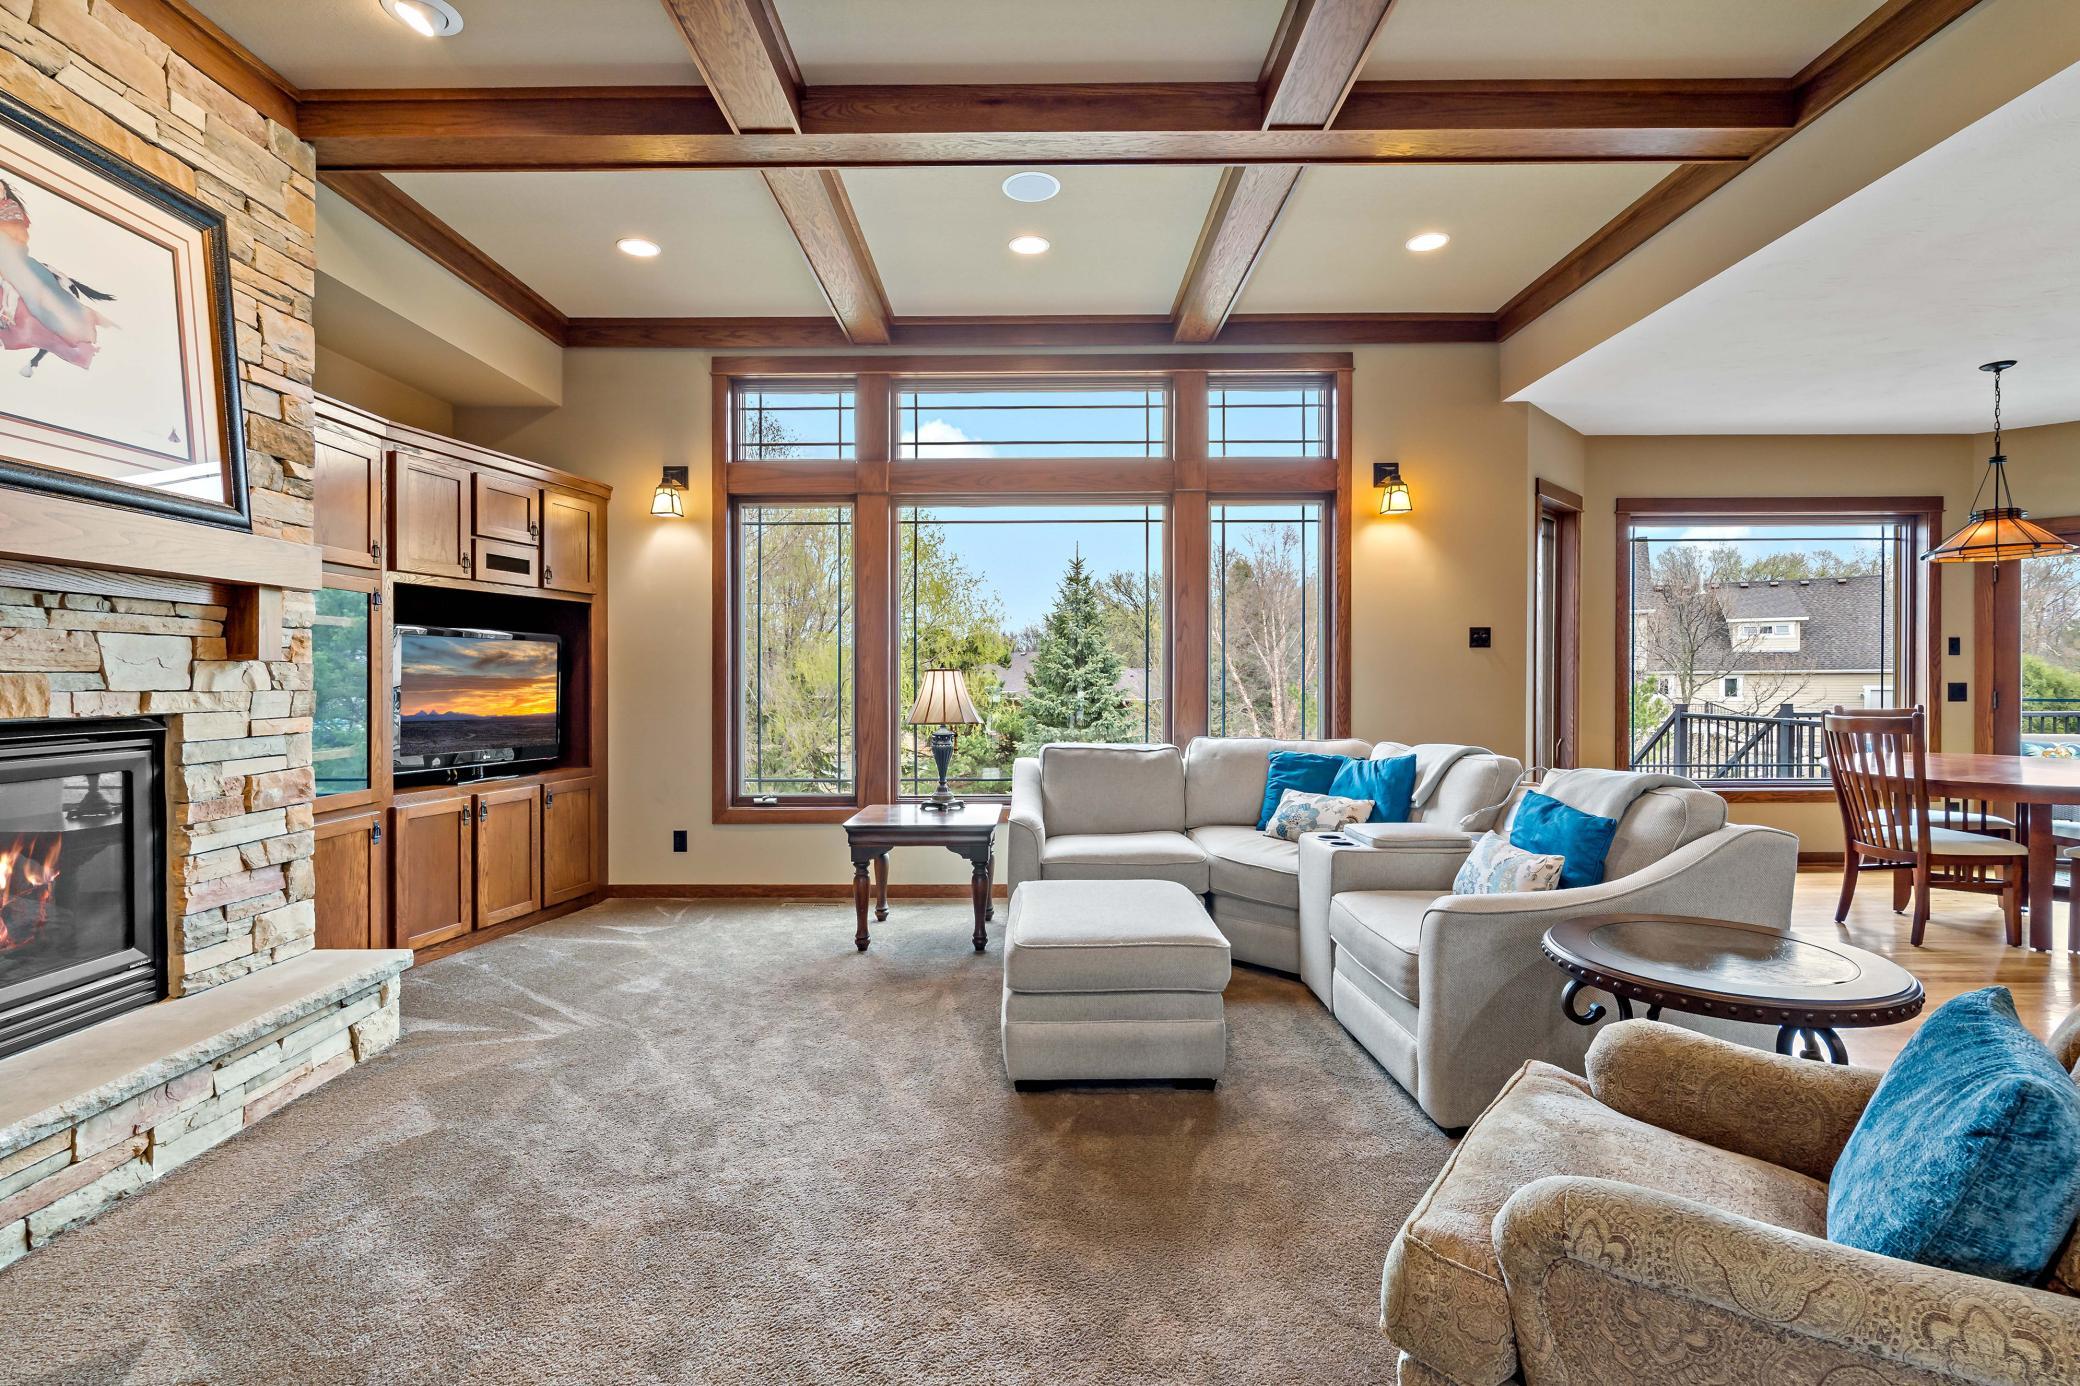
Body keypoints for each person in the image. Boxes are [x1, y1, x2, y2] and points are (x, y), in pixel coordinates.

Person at [0, 177, 116, 372]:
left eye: (0, 190)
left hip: (10, 252)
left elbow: (18, 233)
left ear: (4, 192)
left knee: (10, 280)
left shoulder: (10, 208)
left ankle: (7, 314)